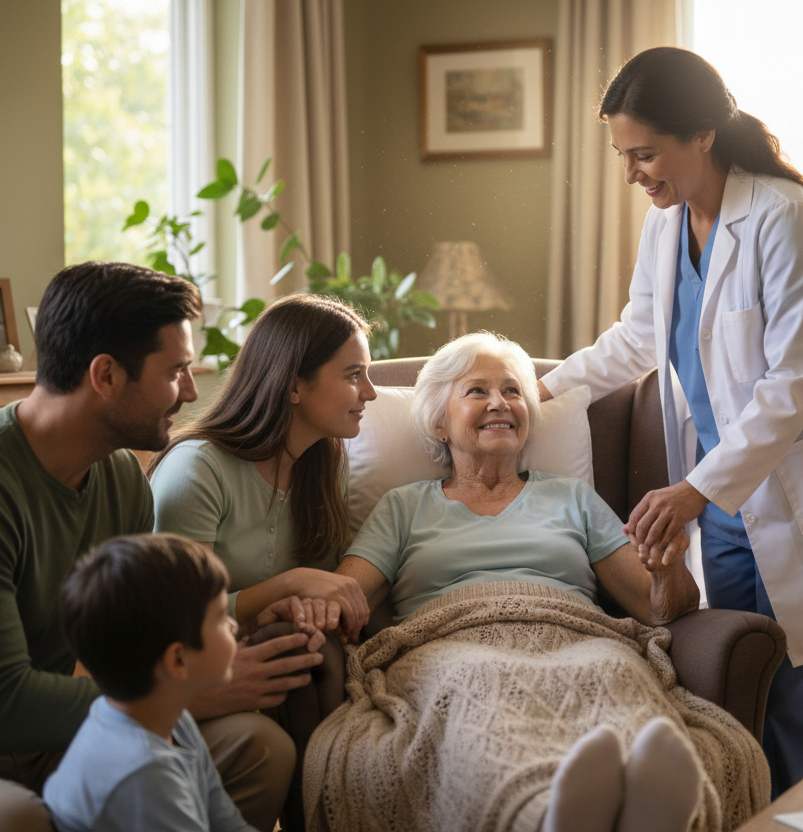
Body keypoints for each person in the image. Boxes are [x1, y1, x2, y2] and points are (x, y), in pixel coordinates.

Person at [537, 47, 803, 797]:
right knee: (743, 698)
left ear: (702, 134)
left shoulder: (785, 217)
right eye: (622, 156)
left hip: (802, 501)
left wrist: (695, 491)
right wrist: (537, 387)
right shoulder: (666, 227)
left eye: (645, 154)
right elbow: (637, 339)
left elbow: (794, 381)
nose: (632, 174)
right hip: (729, 513)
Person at [0, 262, 312, 832]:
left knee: (259, 749)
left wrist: (255, 623)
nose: (191, 392)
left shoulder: (120, 478)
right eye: (176, 371)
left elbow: (141, 634)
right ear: (106, 375)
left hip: (63, 732)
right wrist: (182, 695)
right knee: (10, 820)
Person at [308, 333, 769, 832]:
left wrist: (667, 567)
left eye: (512, 391)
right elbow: (344, 593)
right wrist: (302, 601)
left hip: (576, 637)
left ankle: (643, 807)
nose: (500, 403)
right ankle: (545, 814)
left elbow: (660, 609)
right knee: (477, 681)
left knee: (611, 668)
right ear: (439, 423)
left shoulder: (572, 497)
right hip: (449, 646)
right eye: (477, 391)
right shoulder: (403, 506)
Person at [149, 293, 375, 830]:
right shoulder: (198, 470)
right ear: (294, 385)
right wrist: (287, 587)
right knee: (294, 647)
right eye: (353, 375)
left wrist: (305, 605)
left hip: (277, 658)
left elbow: (319, 592)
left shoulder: (323, 465)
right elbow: (176, 620)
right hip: (185, 668)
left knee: (307, 642)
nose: (369, 392)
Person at [45, 534, 325, 832]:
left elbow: (227, 821)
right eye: (221, 618)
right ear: (178, 660)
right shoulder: (145, 775)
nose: (233, 626)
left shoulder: (173, 721)